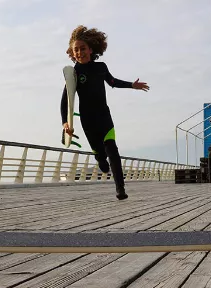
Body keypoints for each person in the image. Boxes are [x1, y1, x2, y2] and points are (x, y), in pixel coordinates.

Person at [60, 25, 149, 200]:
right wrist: (65, 123)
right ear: (72, 53)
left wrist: (132, 85)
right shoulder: (74, 73)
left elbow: (113, 82)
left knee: (112, 150)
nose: (79, 52)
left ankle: (120, 189)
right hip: (88, 120)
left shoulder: (101, 67)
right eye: (76, 50)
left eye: (83, 48)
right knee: (101, 155)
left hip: (104, 117)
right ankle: (100, 159)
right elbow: (66, 101)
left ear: (90, 49)